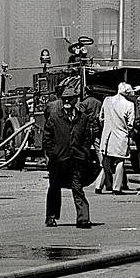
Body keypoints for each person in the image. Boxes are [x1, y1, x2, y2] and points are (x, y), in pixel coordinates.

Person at [42, 85, 92, 228]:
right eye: (64, 99)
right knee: (54, 188)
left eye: (70, 99)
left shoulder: (83, 118)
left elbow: (87, 138)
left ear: (75, 100)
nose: (67, 102)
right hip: (58, 160)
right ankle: (51, 217)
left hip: (76, 159)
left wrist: (84, 152)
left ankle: (83, 218)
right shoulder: (55, 118)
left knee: (77, 187)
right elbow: (47, 139)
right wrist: (53, 154)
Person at [96, 83, 135, 195]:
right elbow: (131, 123)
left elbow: (101, 117)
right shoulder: (129, 104)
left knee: (106, 162)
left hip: (107, 134)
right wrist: (128, 130)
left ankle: (99, 185)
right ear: (127, 93)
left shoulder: (107, 100)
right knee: (120, 161)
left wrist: (106, 125)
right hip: (121, 136)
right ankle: (117, 187)